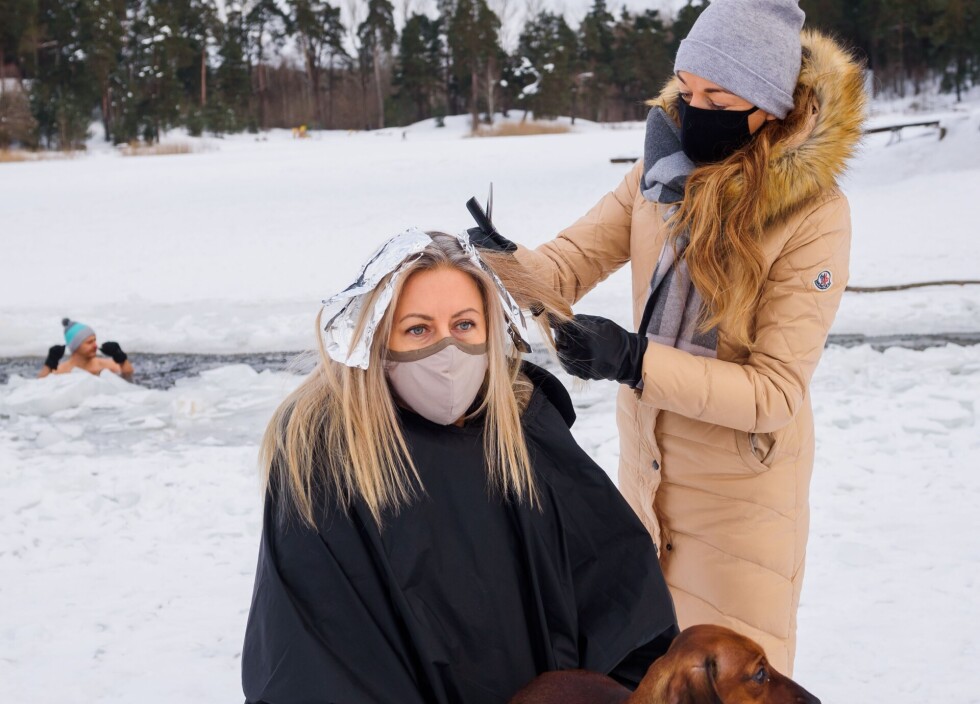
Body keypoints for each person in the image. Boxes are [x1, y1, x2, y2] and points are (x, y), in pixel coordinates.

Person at [468, 1, 867, 675]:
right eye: (686, 89)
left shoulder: (814, 217)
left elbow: (774, 393)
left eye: (717, 95)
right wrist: (501, 259)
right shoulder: (655, 179)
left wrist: (634, 358)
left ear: (768, 105)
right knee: (644, 676)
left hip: (741, 503)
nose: (693, 107)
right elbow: (564, 267)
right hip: (645, 478)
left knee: (730, 682)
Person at [241, 230, 678, 704]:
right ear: (375, 340)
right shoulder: (328, 456)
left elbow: (621, 596)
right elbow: (310, 657)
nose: (447, 351)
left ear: (491, 330)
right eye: (418, 329)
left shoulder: (527, 432)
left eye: (464, 325)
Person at [38, 318, 134, 382]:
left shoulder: (106, 365)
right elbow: (40, 384)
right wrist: (50, 363)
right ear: (75, 346)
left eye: (95, 341)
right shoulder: (61, 370)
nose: (95, 346)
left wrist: (120, 357)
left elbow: (128, 375)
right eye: (89, 342)